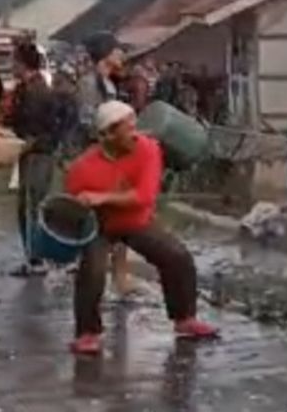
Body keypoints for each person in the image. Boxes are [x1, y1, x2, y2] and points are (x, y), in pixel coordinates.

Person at [65, 100, 217, 355]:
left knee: (176, 255)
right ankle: (87, 332)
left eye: (135, 124)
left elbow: (144, 196)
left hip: (135, 221)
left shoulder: (148, 149)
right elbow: (70, 206)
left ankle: (185, 318)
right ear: (108, 135)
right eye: (128, 128)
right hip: (99, 226)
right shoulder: (83, 167)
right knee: (92, 269)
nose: (135, 132)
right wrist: (80, 206)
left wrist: (102, 197)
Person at [75, 32, 133, 298]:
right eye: (117, 51)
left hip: (117, 157)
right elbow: (88, 122)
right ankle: (98, 280)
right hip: (101, 159)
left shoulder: (112, 83)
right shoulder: (89, 84)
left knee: (122, 218)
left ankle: (120, 278)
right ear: (106, 55)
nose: (122, 56)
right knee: (102, 221)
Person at [8, 41, 60, 277]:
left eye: (13, 61)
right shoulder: (26, 88)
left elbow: (43, 127)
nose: (11, 65)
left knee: (33, 205)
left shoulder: (37, 91)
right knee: (27, 205)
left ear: (22, 64)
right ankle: (33, 255)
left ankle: (38, 257)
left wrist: (28, 143)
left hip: (38, 153)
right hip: (30, 152)